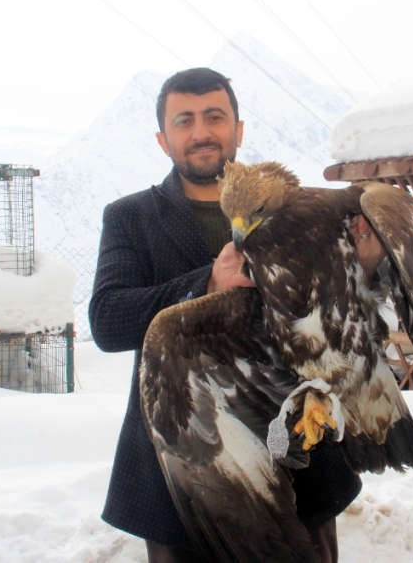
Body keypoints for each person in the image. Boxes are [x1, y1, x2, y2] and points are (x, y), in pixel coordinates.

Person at [89, 67, 383, 563]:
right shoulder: (131, 217)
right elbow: (107, 320)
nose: (201, 132)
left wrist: (367, 266)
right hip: (184, 456)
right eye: (184, 121)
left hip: (294, 444)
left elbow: (339, 311)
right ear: (164, 140)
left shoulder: (296, 209)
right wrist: (204, 284)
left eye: (214, 117)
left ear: (238, 130)